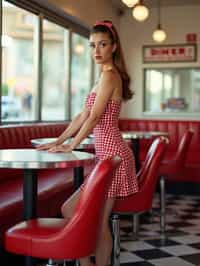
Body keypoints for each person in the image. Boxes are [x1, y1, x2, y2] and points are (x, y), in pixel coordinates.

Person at [37, 20, 138, 266]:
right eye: (93, 45)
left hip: (113, 155)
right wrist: (58, 141)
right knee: (78, 213)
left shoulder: (110, 76)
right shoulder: (101, 77)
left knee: (89, 216)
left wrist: (72, 146)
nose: (97, 51)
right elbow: (82, 115)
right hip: (106, 156)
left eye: (103, 44)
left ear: (113, 47)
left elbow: (94, 118)